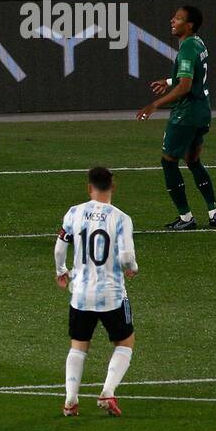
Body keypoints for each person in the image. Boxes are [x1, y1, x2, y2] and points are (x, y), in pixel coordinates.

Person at [54, 166, 138, 418]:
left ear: (89, 187)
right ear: (113, 186)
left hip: (80, 292)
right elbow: (127, 257)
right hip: (111, 294)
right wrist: (132, 268)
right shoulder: (121, 218)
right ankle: (108, 392)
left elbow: (59, 248)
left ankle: (70, 399)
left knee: (78, 346)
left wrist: (62, 271)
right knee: (125, 342)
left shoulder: (74, 212)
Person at [135, 5, 216, 230]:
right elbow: (192, 77)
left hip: (186, 114)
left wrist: (154, 105)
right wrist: (168, 80)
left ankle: (186, 218)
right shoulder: (198, 43)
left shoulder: (186, 50)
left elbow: (184, 87)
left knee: (168, 161)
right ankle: (214, 212)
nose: (172, 21)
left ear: (189, 25)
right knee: (193, 161)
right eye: (173, 17)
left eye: (178, 18)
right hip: (203, 110)